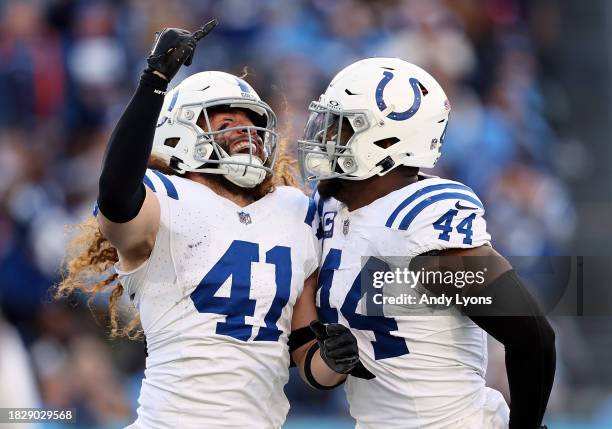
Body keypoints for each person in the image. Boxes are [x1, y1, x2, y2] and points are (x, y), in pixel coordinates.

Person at [57, 20, 368, 428]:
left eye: (251, 123)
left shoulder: (294, 210)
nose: (247, 133)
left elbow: (306, 354)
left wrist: (332, 359)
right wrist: (154, 82)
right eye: (227, 122)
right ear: (182, 133)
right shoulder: (164, 198)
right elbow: (115, 196)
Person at [298, 57, 555, 429]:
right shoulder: (328, 208)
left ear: (385, 140)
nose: (324, 137)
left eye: (340, 128)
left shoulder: (423, 219)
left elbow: (532, 335)